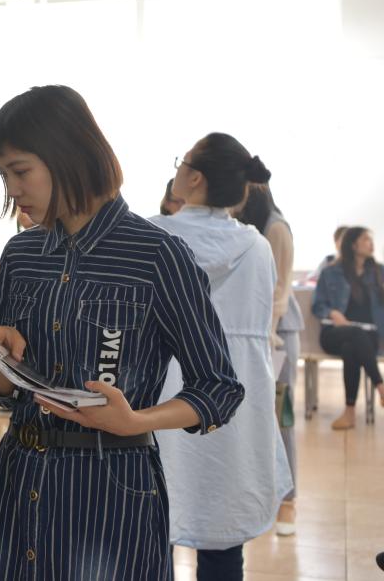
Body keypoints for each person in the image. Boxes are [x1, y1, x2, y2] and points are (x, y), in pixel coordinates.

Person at [0, 86, 244, 581]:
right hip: (18, 480)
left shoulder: (157, 255)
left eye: (19, 171)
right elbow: (5, 393)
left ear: (67, 154)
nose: (11, 190)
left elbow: (219, 388)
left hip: (111, 490)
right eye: (3, 176)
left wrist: (135, 420)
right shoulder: (21, 256)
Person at [152, 135, 292, 579]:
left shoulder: (153, 236)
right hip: (233, 403)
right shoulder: (256, 247)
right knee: (223, 534)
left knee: (154, 528)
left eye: (182, 162)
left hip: (162, 396)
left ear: (195, 178)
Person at [235, 182, 305, 535]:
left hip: (277, 334)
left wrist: (267, 336)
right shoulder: (249, 228)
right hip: (258, 333)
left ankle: (288, 501)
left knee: (282, 416)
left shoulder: (275, 227)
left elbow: (278, 290)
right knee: (259, 417)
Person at [312, 226, 384, 429]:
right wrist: (332, 313)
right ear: (353, 244)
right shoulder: (330, 272)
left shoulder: (379, 272)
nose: (371, 243)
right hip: (334, 333)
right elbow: (317, 305)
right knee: (353, 335)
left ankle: (349, 413)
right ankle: (381, 386)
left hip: (368, 336)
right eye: (366, 239)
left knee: (350, 347)